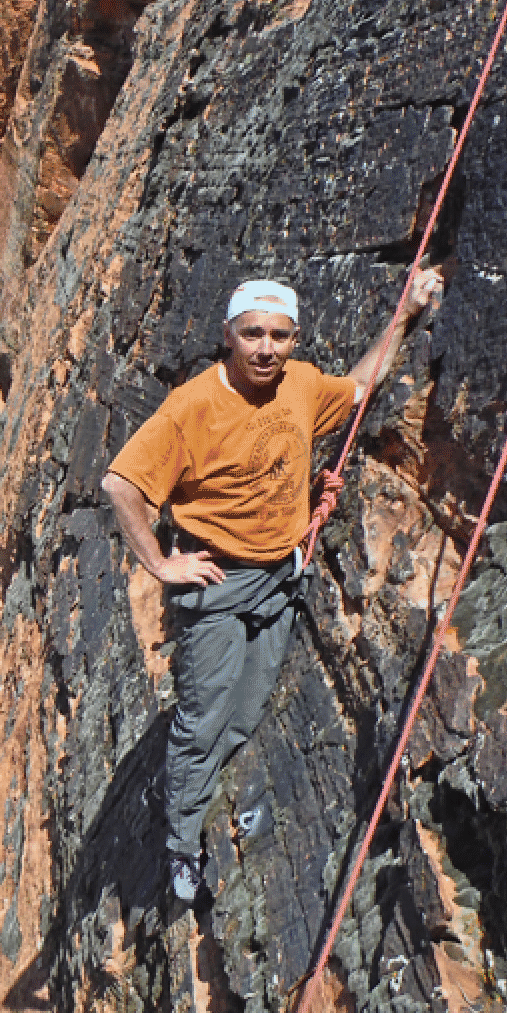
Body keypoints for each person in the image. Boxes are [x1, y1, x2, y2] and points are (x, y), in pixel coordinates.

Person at [100, 269, 443, 902]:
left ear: (294, 338)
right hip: (215, 581)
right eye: (252, 333)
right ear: (227, 335)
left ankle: (191, 786)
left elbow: (362, 385)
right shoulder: (191, 408)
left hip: (280, 574)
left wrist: (407, 313)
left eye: (278, 335)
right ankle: (180, 840)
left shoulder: (303, 385)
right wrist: (161, 566)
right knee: (204, 719)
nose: (265, 347)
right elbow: (121, 485)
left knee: (248, 709)